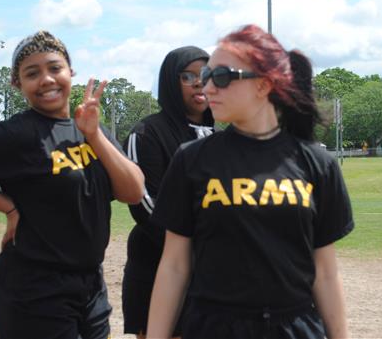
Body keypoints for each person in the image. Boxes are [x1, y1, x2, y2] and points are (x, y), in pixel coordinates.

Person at [0, 30, 144, 339]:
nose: (46, 79)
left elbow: (133, 192)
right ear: (18, 84)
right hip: (34, 289)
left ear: (71, 72)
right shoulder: (17, 134)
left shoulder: (91, 129)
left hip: (90, 286)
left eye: (55, 68)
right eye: (32, 73)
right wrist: (9, 207)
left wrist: (94, 135)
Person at [147, 24, 354, 339]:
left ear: (264, 85)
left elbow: (325, 274)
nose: (207, 88)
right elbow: (174, 266)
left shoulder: (317, 165)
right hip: (212, 328)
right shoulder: (191, 160)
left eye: (221, 77)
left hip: (294, 329)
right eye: (205, 77)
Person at [121, 46, 214, 339]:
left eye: (206, 74)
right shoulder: (147, 133)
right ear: (170, 83)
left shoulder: (221, 136)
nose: (199, 82)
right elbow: (144, 204)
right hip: (158, 267)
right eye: (187, 76)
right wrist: (197, 246)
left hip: (211, 274)